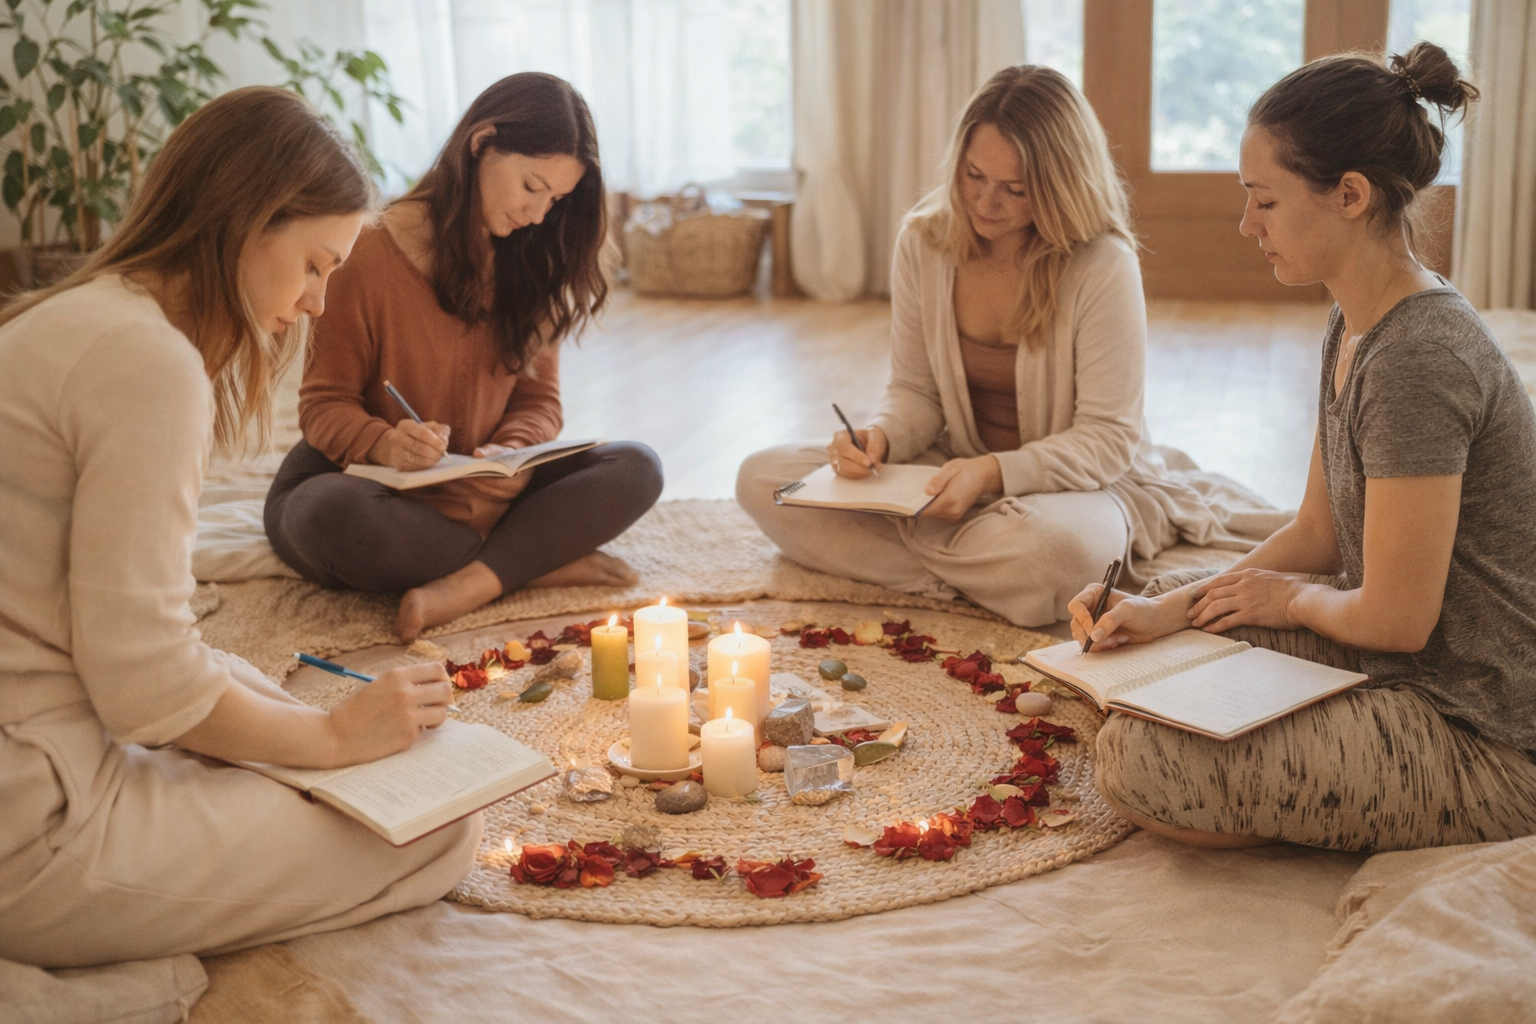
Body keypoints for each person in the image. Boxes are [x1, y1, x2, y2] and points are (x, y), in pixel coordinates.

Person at [0, 87, 478, 967]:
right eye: (314, 264)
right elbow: (145, 688)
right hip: (35, 828)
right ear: (250, 223)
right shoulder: (147, 362)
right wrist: (331, 739)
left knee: (288, 749)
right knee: (438, 830)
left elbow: (129, 641)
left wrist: (305, 731)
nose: (317, 304)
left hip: (45, 753)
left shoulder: (78, 314)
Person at [1077, 43, 1536, 853]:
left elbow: (1394, 617)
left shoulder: (1420, 358)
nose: (1246, 225)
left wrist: (1286, 603)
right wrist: (1168, 610)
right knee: (1173, 612)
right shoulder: (1355, 317)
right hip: (1397, 657)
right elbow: (1318, 538)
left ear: (1350, 195)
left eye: (1266, 202)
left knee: (1141, 761)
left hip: (1483, 730)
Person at [737, 65, 1282, 627]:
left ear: (1057, 185)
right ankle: (968, 576)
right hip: (955, 472)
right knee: (762, 479)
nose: (986, 202)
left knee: (1054, 557)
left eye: (1014, 189)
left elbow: (1108, 440)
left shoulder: (1102, 263)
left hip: (1082, 489)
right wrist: (880, 437)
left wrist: (993, 474)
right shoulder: (923, 243)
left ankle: (929, 563)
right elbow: (915, 391)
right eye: (974, 176)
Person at [264, 73, 663, 642]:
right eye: (531, 186)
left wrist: (513, 451)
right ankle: (525, 562)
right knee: (329, 517)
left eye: (556, 199)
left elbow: (538, 400)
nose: (539, 214)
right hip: (370, 488)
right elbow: (324, 405)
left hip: (480, 489)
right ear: (481, 144)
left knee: (636, 466)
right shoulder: (367, 250)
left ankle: (472, 579)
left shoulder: (532, 258)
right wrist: (386, 442)